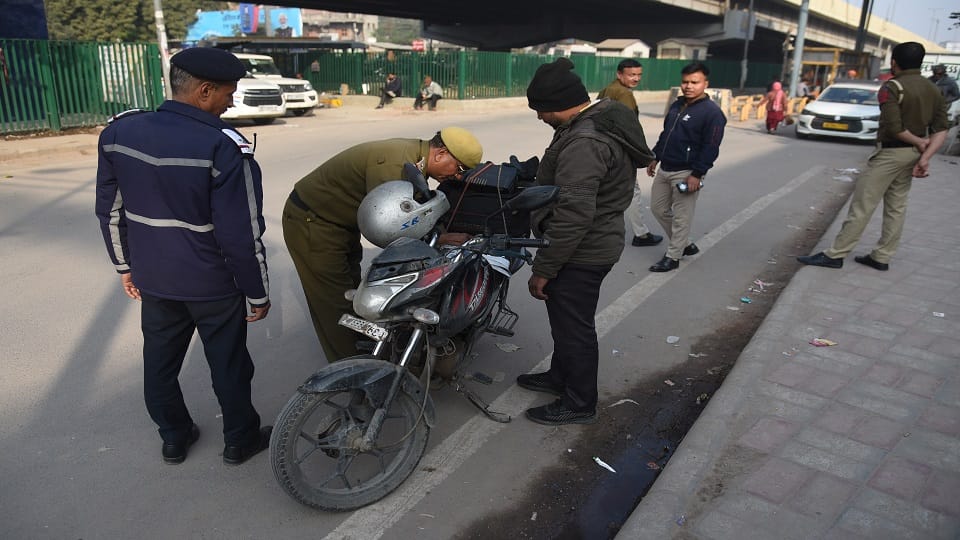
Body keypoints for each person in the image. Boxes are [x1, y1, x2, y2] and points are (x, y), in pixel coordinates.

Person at [94, 47, 272, 466]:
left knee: (158, 364)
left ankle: (174, 437)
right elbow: (241, 234)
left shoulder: (120, 132)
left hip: (154, 280)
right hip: (212, 286)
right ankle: (239, 440)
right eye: (230, 91)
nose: (232, 99)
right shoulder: (224, 147)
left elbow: (111, 210)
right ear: (205, 91)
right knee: (228, 366)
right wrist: (257, 293)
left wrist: (125, 267)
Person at [519, 57, 654, 425]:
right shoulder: (593, 120)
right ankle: (559, 377)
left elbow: (573, 215)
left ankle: (579, 402)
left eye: (541, 110)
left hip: (583, 250)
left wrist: (544, 269)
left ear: (557, 104)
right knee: (565, 321)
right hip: (591, 243)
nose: (539, 118)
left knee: (574, 326)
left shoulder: (586, 141)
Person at [283, 127, 483, 362]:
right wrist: (440, 238)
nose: (458, 176)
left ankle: (366, 354)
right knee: (334, 302)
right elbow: (392, 225)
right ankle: (354, 373)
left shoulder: (414, 158)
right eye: (459, 169)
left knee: (353, 294)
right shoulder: (393, 165)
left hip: (342, 223)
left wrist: (439, 232)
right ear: (440, 154)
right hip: (313, 223)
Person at [798, 42, 948, 271]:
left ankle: (836, 254)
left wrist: (918, 142)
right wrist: (925, 155)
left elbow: (894, 127)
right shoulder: (933, 89)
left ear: (895, 62)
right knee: (896, 207)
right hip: (913, 155)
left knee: (863, 204)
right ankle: (882, 256)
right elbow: (941, 128)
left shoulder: (893, 87)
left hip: (890, 153)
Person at [646, 62, 726, 272]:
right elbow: (667, 134)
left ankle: (673, 256)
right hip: (666, 167)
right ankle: (686, 243)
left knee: (682, 217)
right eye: (685, 82)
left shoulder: (712, 113)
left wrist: (697, 174)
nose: (689, 86)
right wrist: (655, 156)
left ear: (705, 84)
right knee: (658, 208)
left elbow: (711, 147)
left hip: (687, 172)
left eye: (694, 82)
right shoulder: (676, 105)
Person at [597, 58, 663, 248]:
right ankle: (641, 234)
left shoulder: (608, 89)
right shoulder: (624, 94)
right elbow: (630, 128)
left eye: (639, 75)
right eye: (631, 74)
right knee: (631, 191)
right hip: (619, 150)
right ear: (620, 74)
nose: (636, 78)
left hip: (604, 148)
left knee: (605, 190)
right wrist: (645, 154)